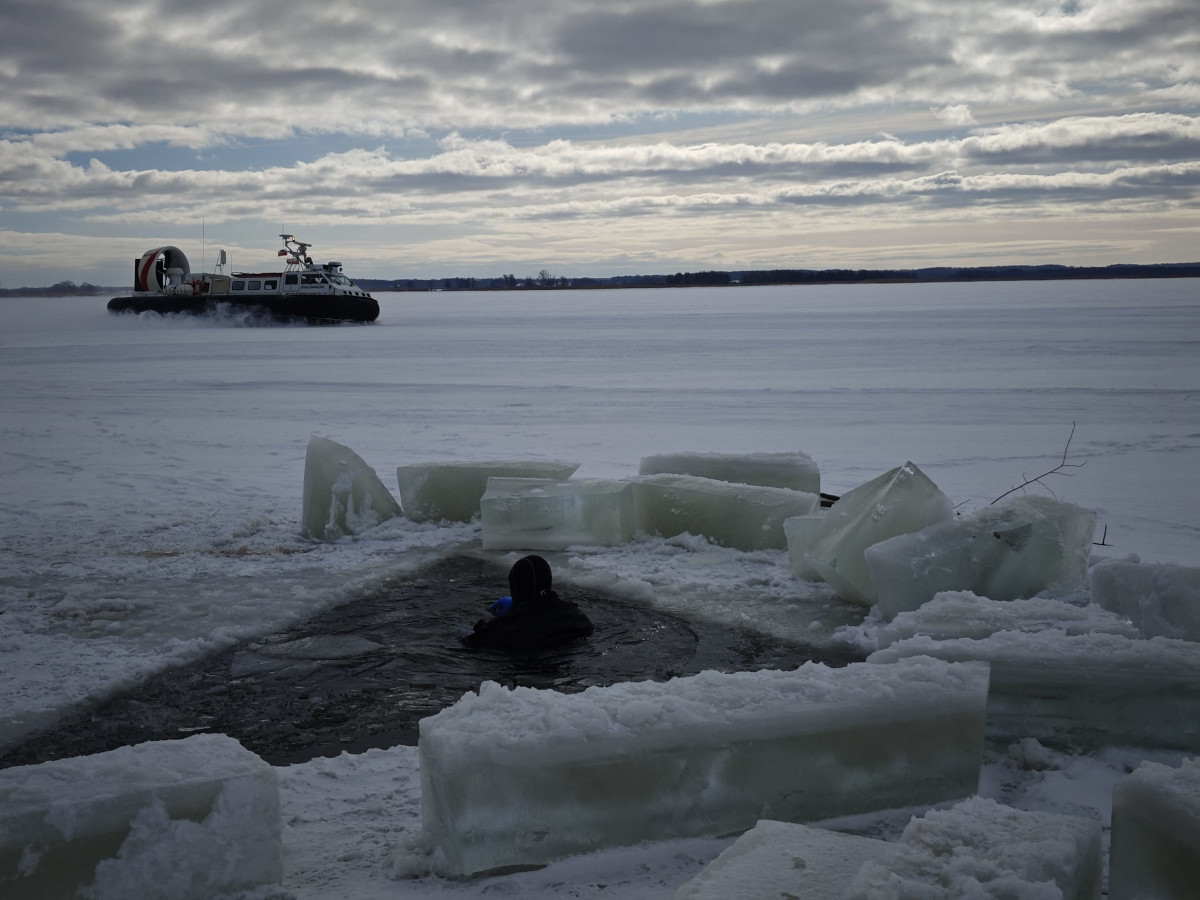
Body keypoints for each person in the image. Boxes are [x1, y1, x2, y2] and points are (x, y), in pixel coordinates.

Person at [461, 555, 593, 652]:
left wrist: (485, 625)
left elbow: (470, 643)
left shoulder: (503, 629)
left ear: (517, 587)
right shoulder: (577, 617)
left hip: (524, 671)